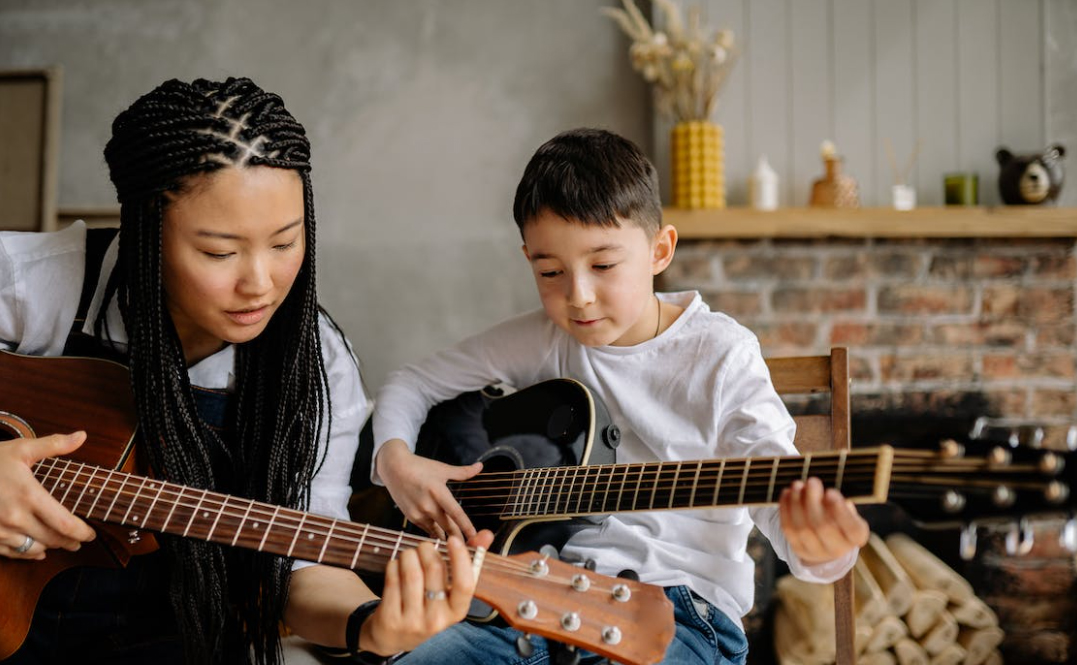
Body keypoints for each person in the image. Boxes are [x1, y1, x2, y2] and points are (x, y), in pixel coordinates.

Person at [0, 76, 489, 665]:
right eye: (220, 252)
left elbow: (300, 569)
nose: (259, 283)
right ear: (145, 232)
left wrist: (370, 625)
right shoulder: (31, 287)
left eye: (284, 244)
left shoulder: (318, 364)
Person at [371, 128, 870, 664]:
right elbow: (412, 383)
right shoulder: (545, 337)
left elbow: (782, 506)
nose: (578, 296)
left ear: (660, 250)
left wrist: (822, 550)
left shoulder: (723, 355)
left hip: (682, 614)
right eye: (550, 271)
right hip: (533, 596)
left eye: (603, 265)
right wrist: (395, 462)